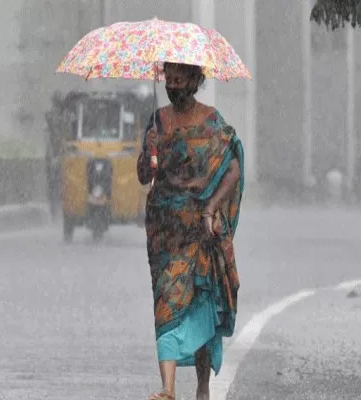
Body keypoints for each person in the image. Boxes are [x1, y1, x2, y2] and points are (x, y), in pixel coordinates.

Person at [137, 62, 244, 400]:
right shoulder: (158, 122)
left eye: (180, 79)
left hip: (201, 234)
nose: (173, 85)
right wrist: (149, 149)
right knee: (166, 304)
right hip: (166, 234)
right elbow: (144, 175)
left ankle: (202, 386)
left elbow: (233, 168)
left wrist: (211, 209)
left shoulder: (213, 123)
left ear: (197, 81)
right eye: (168, 79)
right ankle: (167, 389)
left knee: (200, 305)